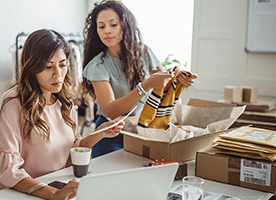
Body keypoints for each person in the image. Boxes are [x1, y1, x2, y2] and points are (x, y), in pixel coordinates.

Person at [0, 29, 124, 200]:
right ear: (32, 67)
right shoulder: (13, 103)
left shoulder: (64, 100)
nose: (58, 74)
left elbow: (71, 148)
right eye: (48, 67)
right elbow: (8, 170)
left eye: (63, 64)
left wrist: (100, 133)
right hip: (20, 193)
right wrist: (54, 194)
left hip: (55, 185)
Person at [82, 0, 197, 158]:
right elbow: (111, 110)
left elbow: (164, 85)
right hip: (110, 134)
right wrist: (145, 85)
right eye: (101, 26)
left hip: (143, 129)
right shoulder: (97, 65)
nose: (107, 31)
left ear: (125, 25)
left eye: (113, 24)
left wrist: (179, 81)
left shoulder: (144, 52)